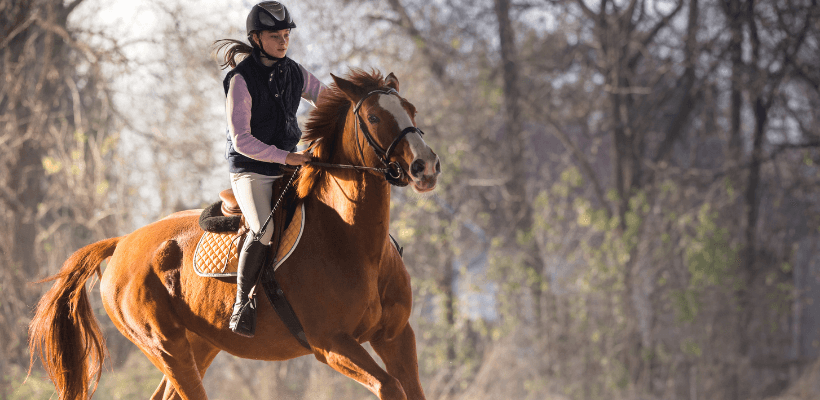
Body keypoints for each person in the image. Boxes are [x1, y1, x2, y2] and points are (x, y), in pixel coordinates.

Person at [213, 1, 327, 337]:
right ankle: (242, 304)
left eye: (286, 35)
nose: (283, 41)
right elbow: (241, 140)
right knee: (263, 229)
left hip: (288, 164)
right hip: (251, 171)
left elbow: (328, 99)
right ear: (256, 38)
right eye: (275, 36)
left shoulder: (295, 72)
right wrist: (286, 157)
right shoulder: (240, 80)